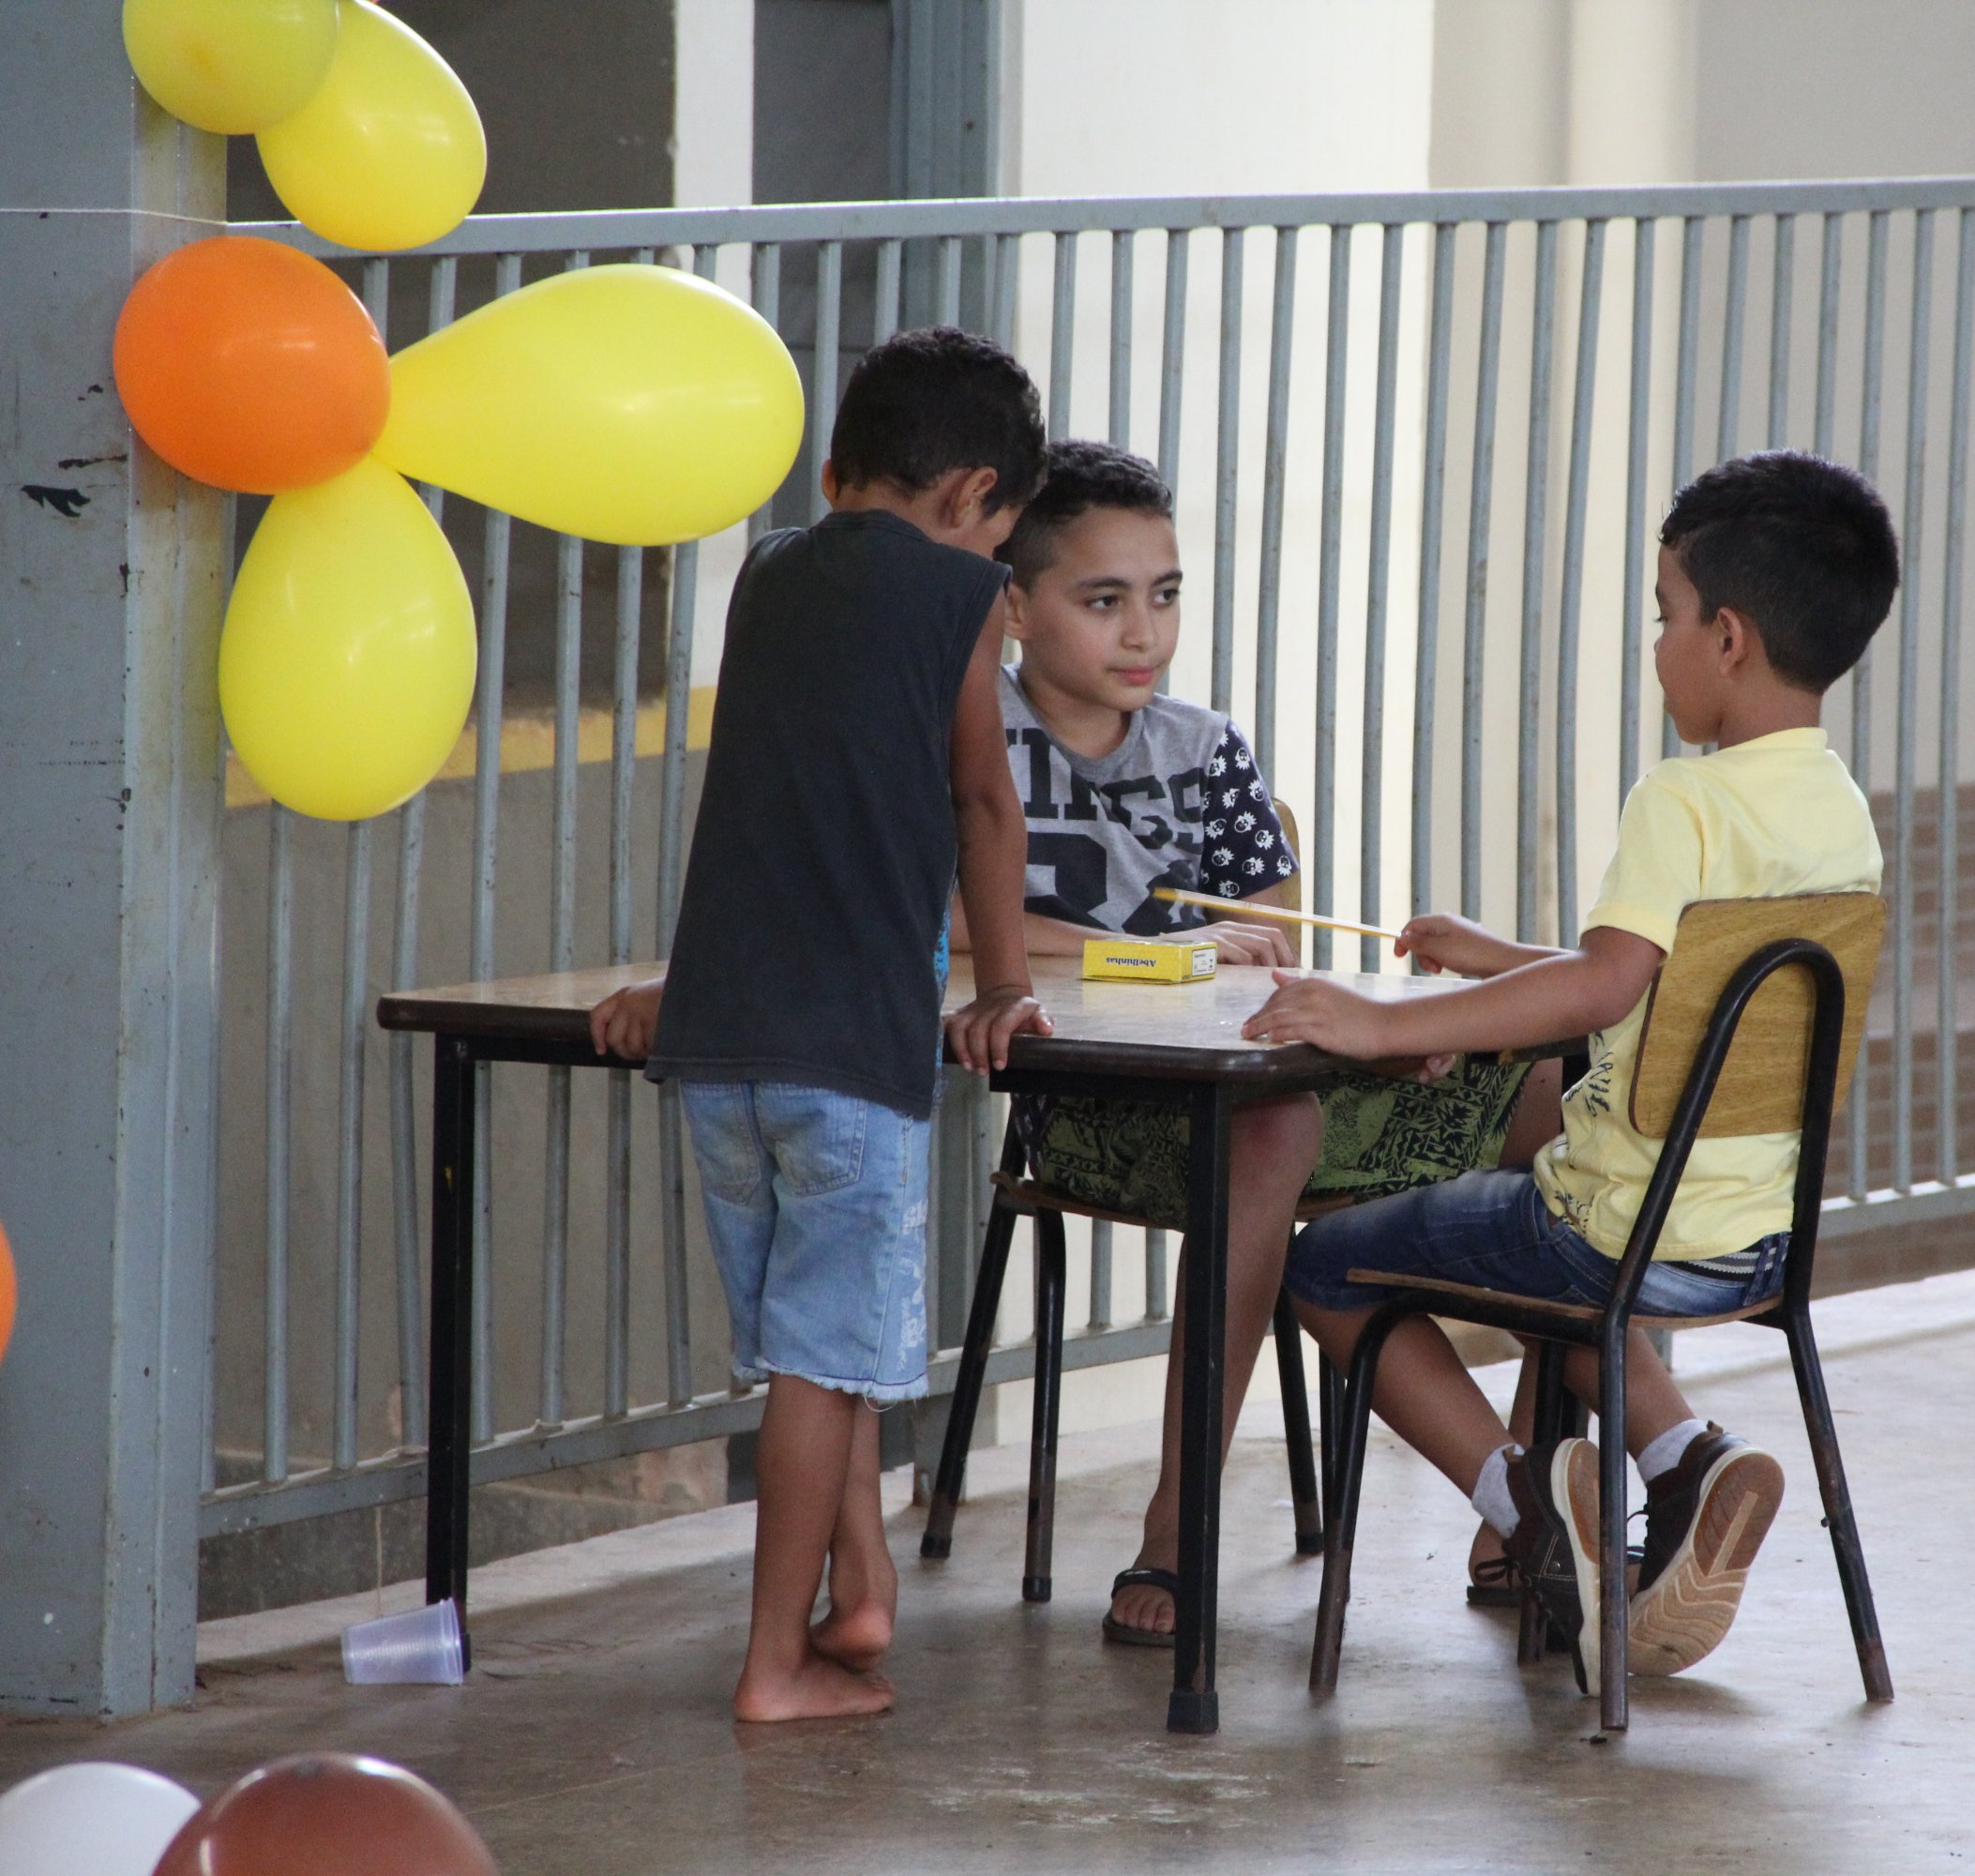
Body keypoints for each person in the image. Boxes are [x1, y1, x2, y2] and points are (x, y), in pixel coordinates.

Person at [1246, 450, 1899, 1689]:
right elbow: (1662, 976)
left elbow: (1603, 988)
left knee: (1322, 1264)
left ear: (1727, 637)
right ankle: (1688, 1461)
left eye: (1664, 614)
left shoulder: (1684, 800)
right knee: (1556, 1281)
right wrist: (1496, 962)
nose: (1657, 644)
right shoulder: (1837, 810)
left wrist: (1374, 1022)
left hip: (1611, 1223)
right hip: (1754, 1229)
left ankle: (1532, 1513)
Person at [968, 439, 1561, 1645]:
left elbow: (1270, 954)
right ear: (1016, 607)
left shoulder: (1207, 748)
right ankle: (1178, 1524)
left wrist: (1384, 1030)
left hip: (1252, 1088)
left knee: (1552, 1085)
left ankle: (1533, 1497)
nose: (1144, 632)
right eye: (1104, 599)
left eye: (1164, 594)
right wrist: (1154, 949)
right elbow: (949, 931)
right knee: (1276, 1126)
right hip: (1088, 1108)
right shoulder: (974, 740)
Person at [588, 327, 1050, 1722]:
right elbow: (984, 798)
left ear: (841, 467)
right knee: (826, 1359)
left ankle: (862, 1590)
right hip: (847, 1048)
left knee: (813, 1355)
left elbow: (766, 798)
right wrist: (1005, 985)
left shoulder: (770, 573)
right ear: (971, 496)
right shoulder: (962, 596)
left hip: (722, 1043)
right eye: (1001, 534)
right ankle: (775, 1665)